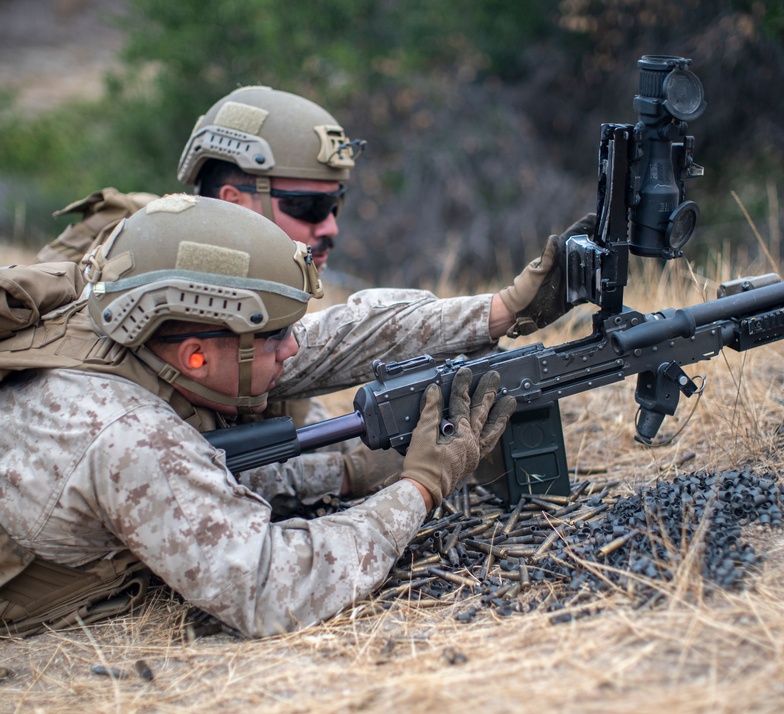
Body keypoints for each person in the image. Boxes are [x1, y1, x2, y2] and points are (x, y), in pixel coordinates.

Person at [35, 85, 594, 510]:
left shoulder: (232, 289)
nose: (328, 228)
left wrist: (501, 312)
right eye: (306, 207)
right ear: (235, 201)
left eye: (336, 205)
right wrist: (355, 474)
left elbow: (326, 351)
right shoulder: (145, 283)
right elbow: (182, 481)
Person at [0, 195, 516, 637]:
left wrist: (503, 310)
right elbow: (273, 587)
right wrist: (421, 487)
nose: (292, 347)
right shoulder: (127, 437)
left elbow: (336, 339)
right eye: (273, 336)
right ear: (195, 356)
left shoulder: (129, 322)